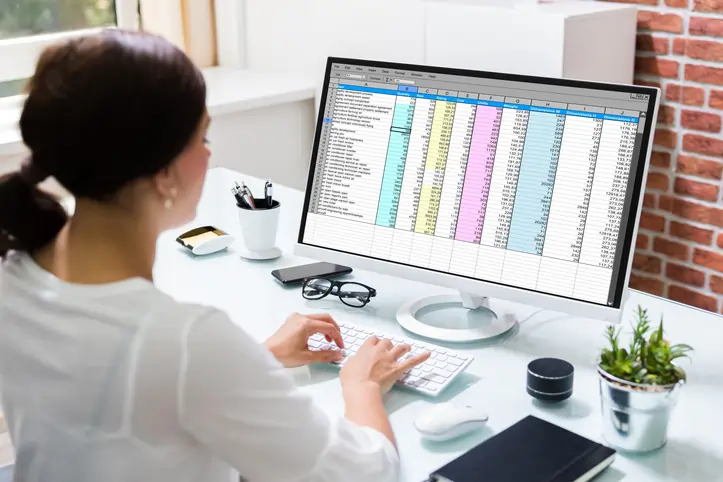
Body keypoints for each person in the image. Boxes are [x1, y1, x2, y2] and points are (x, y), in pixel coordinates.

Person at [0, 29, 430, 482]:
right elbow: (364, 474)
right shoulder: (187, 341)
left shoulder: (16, 272)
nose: (209, 155)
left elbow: (115, 400)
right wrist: (361, 388)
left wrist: (252, 362)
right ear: (165, 172)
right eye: (203, 138)